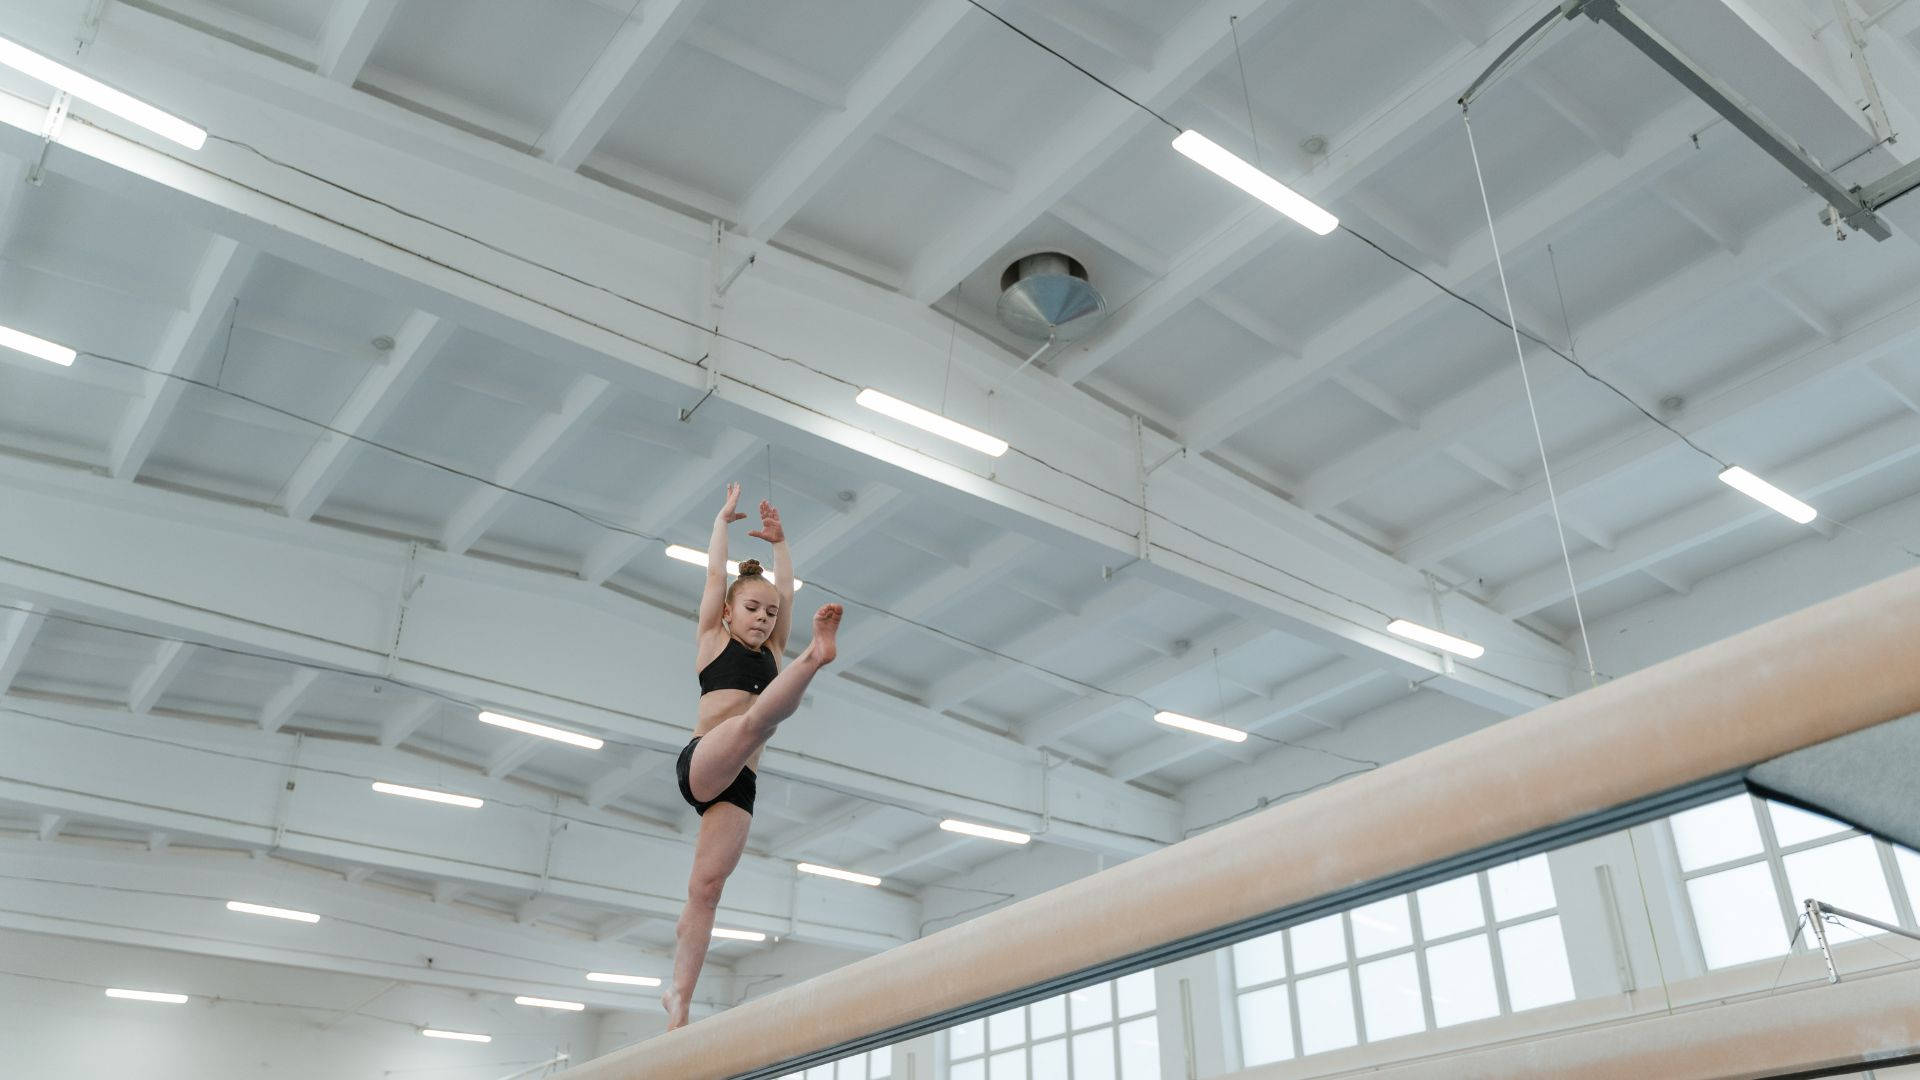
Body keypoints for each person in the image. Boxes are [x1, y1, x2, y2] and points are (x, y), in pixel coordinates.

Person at [662, 483, 841, 1029]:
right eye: (753, 608)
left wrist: (783, 543)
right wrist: (720, 521)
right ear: (727, 611)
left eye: (771, 613)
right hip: (703, 762)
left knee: (707, 889)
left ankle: (679, 1000)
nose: (764, 617)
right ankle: (817, 659)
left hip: (739, 784)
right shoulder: (713, 639)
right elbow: (715, 575)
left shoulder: (771, 651)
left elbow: (784, 585)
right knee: (754, 721)